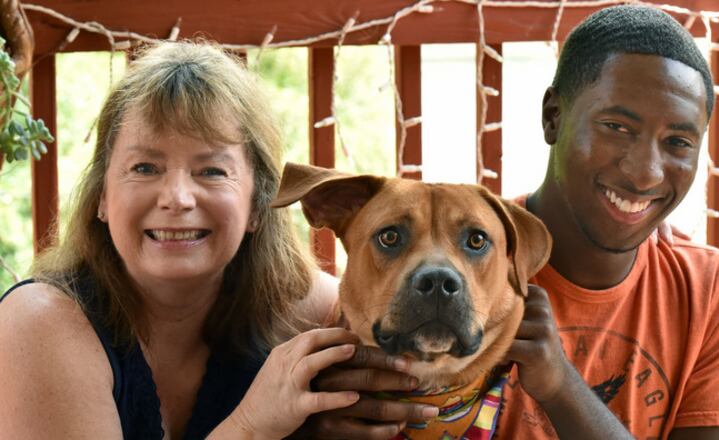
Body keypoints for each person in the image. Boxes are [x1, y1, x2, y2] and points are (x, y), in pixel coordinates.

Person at [0, 41, 430, 439]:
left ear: (259, 206)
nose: (177, 198)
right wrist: (251, 427)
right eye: (146, 167)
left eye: (212, 171)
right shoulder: (39, 324)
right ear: (102, 198)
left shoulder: (317, 316)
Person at [495, 5, 719, 439]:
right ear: (553, 117)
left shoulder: (715, 292)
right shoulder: (465, 257)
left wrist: (560, 386)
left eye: (677, 141)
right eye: (617, 127)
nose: (646, 173)